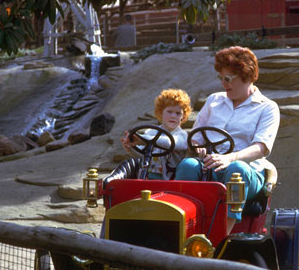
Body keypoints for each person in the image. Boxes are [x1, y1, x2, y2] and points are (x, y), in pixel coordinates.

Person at [175, 46, 280, 233]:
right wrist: (198, 147)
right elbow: (196, 137)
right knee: (188, 165)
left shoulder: (267, 108)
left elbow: (261, 148)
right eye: (221, 78)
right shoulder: (214, 100)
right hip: (210, 166)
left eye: (228, 79)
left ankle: (220, 238)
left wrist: (230, 158)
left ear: (246, 76)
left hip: (247, 172)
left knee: (236, 170)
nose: (223, 83)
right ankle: (183, 233)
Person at [116, 88, 191, 180]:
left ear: (183, 117)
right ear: (160, 112)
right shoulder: (151, 132)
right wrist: (131, 147)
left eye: (178, 113)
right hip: (147, 177)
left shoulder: (182, 135)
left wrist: (142, 139)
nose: (173, 116)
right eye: (169, 111)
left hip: (170, 181)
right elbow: (142, 154)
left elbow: (170, 143)